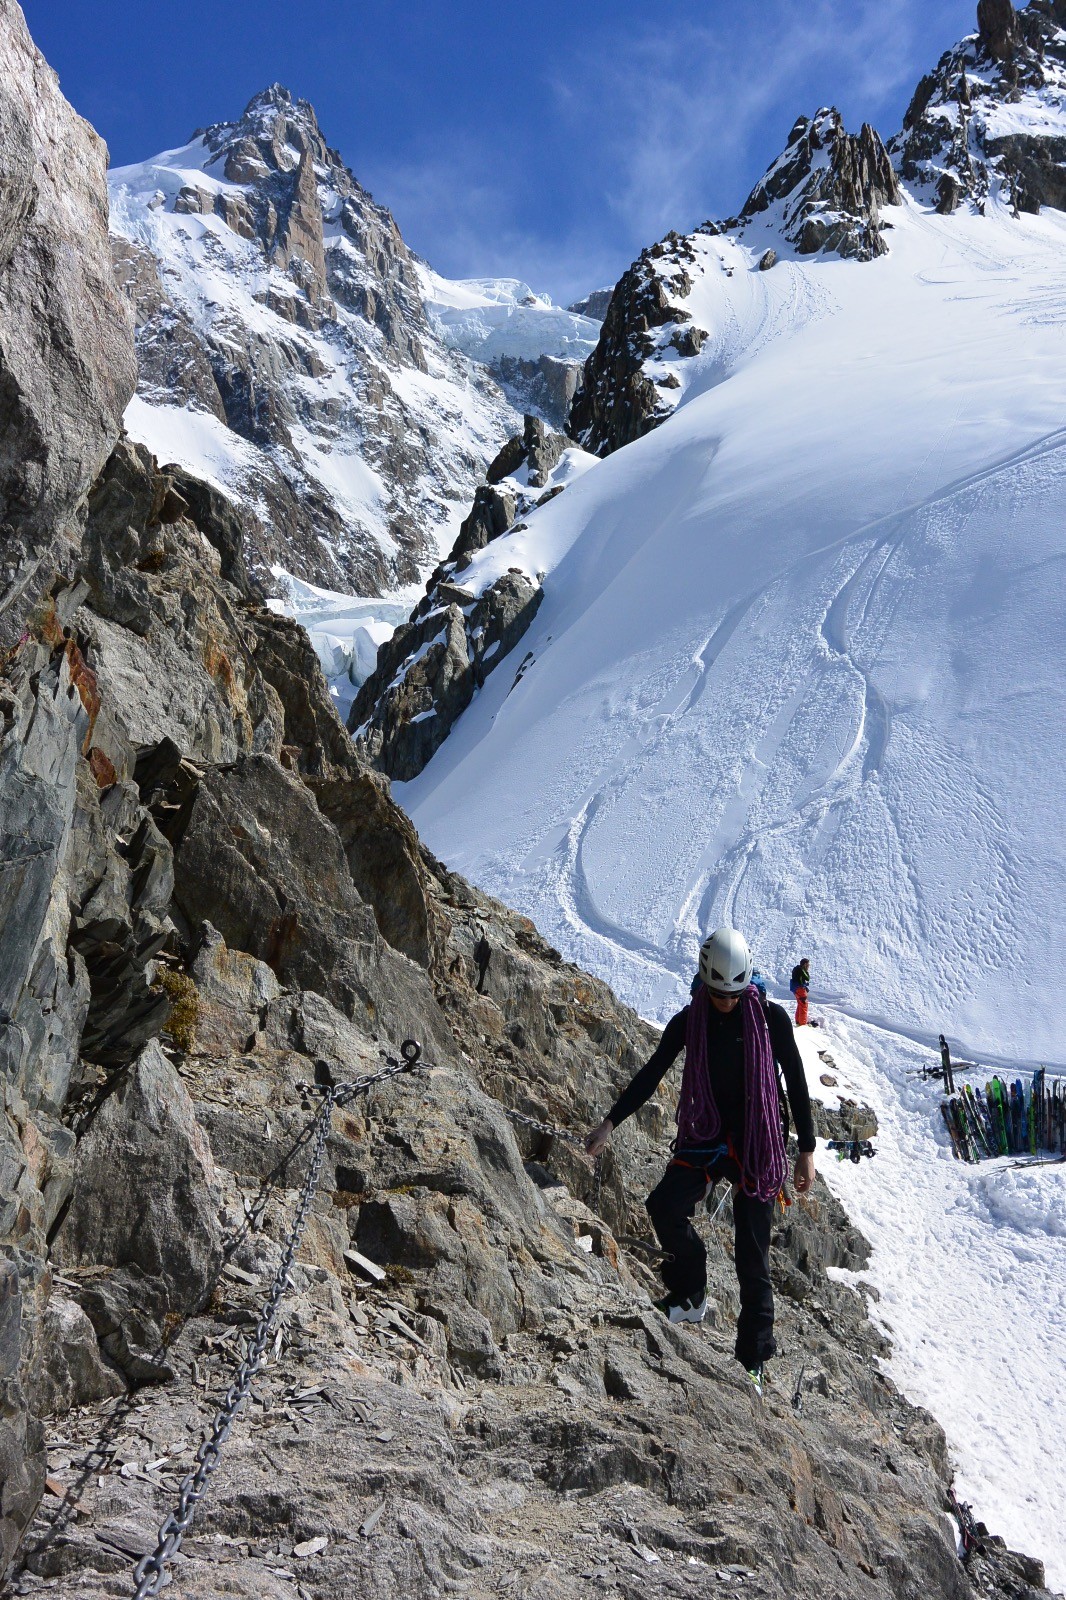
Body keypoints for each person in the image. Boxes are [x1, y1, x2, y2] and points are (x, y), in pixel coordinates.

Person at [586, 927, 816, 1390]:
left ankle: (752, 1359)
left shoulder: (770, 1019)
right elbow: (652, 1071)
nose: (726, 1002)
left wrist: (806, 1149)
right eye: (717, 993)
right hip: (707, 1135)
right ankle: (690, 1293)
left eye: (733, 994)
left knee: (752, 1256)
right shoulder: (691, 1020)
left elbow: (794, 1078)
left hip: (756, 1144)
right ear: (704, 983)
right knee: (663, 1205)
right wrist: (610, 1123)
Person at [790, 956, 810, 1027]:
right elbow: (807, 978)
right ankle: (802, 1024)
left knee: (800, 1004)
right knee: (804, 1005)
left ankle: (798, 1022)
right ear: (805, 964)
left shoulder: (796, 969)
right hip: (800, 989)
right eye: (808, 965)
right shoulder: (801, 970)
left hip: (795, 989)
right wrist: (806, 970)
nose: (809, 966)